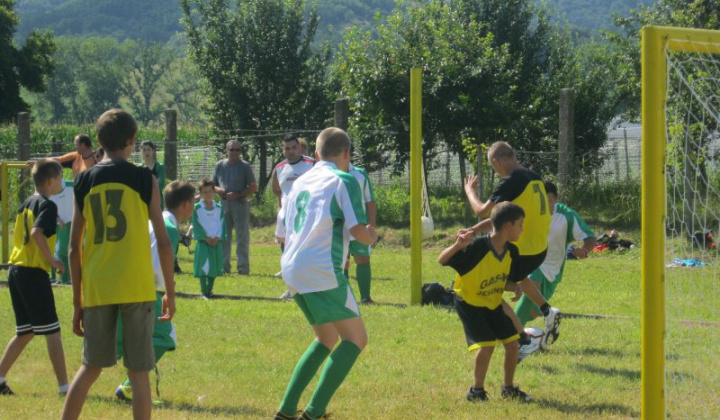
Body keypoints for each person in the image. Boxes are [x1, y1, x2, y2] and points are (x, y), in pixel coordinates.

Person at [61, 109, 176, 420]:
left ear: (98, 141)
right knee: (139, 372)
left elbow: (73, 248)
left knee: (89, 367)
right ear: (132, 140)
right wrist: (170, 291)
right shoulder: (145, 178)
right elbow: (164, 242)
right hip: (137, 286)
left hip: (98, 287)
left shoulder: (83, 180)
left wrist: (77, 301)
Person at [273, 127, 377, 420]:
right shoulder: (344, 179)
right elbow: (358, 231)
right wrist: (371, 235)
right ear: (346, 154)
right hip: (321, 269)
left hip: (291, 268)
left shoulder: (299, 182)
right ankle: (313, 413)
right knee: (356, 339)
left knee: (325, 338)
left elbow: (282, 232)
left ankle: (285, 411)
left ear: (316, 154)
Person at [439, 202, 560, 403]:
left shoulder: (511, 251)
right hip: (470, 303)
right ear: (508, 225)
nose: (522, 229)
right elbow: (442, 260)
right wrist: (458, 246)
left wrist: (512, 286)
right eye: (520, 224)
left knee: (512, 345)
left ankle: (508, 388)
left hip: (492, 302)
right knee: (486, 346)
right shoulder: (478, 247)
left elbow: (500, 276)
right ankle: (476, 391)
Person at [463, 141, 560, 347]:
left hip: (522, 249)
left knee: (489, 286)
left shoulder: (511, 181)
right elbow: (501, 219)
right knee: (515, 276)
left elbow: (482, 211)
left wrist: (470, 191)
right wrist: (474, 230)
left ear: (497, 162)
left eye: (492, 167)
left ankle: (523, 341)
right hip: (539, 248)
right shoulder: (532, 178)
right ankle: (547, 310)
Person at [115, 180, 196, 401]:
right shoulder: (168, 228)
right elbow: (158, 263)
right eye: (194, 202)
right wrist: (167, 291)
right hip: (148, 291)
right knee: (165, 337)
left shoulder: (150, 221)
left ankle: (72, 386)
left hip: (125, 287)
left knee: (114, 343)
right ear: (186, 204)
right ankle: (130, 386)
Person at [0, 159, 69, 396]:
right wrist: (53, 262)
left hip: (15, 271)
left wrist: (56, 218)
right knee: (53, 331)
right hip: (32, 273)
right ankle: (64, 388)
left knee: (26, 331)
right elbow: (36, 232)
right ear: (50, 181)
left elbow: (30, 228)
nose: (61, 183)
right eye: (60, 179)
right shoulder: (47, 206)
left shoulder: (27, 203)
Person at [514, 181, 596, 335]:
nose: (545, 205)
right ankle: (513, 335)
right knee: (531, 286)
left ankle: (527, 326)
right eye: (541, 201)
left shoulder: (566, 216)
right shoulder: (526, 212)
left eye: (549, 201)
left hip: (553, 270)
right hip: (532, 263)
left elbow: (590, 237)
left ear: (556, 200)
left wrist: (584, 250)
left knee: (532, 312)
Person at [270, 133, 315, 289]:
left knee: (305, 248)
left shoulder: (312, 164)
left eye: (294, 147)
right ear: (283, 150)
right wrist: (281, 207)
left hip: (307, 213)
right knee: (286, 246)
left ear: (299, 147)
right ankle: (290, 284)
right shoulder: (279, 168)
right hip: (286, 214)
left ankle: (308, 281)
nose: (291, 151)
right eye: (287, 148)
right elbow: (277, 190)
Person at [212, 140, 257, 275]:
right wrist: (219, 190)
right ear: (227, 151)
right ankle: (224, 267)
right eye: (232, 150)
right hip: (224, 203)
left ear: (240, 152)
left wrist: (238, 194)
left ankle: (243, 268)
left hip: (240, 204)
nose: (234, 153)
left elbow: (253, 187)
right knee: (224, 237)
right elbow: (212, 185)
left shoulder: (245, 166)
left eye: (237, 150)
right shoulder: (219, 165)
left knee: (242, 237)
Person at [346, 163, 376, 304]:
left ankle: (365, 297)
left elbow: (370, 201)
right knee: (340, 263)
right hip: (338, 227)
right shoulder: (329, 173)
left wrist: (371, 225)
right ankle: (344, 298)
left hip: (359, 225)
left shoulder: (359, 174)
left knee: (363, 260)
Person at [192, 179, 226, 299]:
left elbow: (222, 223)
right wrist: (205, 238)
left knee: (213, 267)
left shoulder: (219, 208)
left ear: (214, 192)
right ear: (200, 193)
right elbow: (196, 224)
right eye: (205, 192)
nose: (208, 194)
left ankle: (209, 290)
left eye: (210, 191)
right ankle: (203, 290)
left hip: (215, 243)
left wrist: (217, 237)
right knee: (203, 267)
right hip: (203, 243)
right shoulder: (197, 208)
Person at [27, 134, 97, 179]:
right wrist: (37, 163)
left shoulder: (97, 158)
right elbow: (57, 160)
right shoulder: (75, 156)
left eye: (76, 144)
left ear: (83, 145)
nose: (75, 146)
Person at [49, 178, 74, 284]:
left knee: (65, 251)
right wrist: (58, 218)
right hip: (57, 223)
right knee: (54, 249)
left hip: (72, 222)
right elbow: (49, 207)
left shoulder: (72, 185)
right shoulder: (49, 190)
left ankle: (67, 278)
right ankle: (54, 276)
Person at [139, 141, 166, 209]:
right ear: (141, 152)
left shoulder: (160, 167)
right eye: (144, 150)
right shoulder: (139, 169)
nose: (146, 152)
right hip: (143, 203)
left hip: (157, 202)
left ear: (153, 151)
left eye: (149, 150)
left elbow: (161, 184)